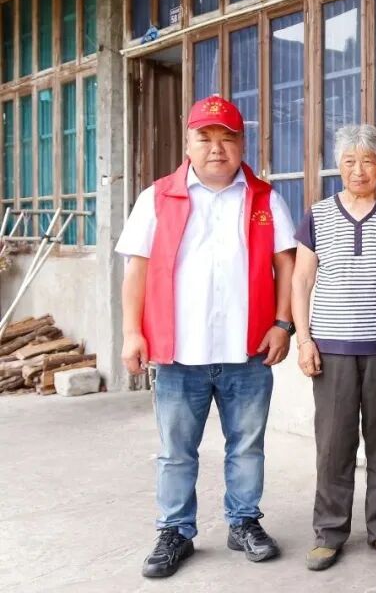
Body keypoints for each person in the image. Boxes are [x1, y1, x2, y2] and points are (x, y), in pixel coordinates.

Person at [116, 95, 297, 578]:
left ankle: (244, 522)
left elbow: (286, 264)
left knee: (247, 446)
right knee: (176, 451)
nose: (217, 148)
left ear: (242, 144)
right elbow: (137, 269)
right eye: (205, 138)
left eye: (227, 138)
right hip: (179, 352)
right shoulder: (157, 198)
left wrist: (283, 324)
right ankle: (175, 531)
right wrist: (132, 332)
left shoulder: (264, 198)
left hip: (248, 350)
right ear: (188, 143)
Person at [292, 124, 376, 571]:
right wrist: (304, 340)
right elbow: (301, 280)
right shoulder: (317, 215)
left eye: (367, 161)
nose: (358, 170)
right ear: (338, 165)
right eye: (349, 161)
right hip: (331, 348)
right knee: (333, 443)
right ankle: (329, 533)